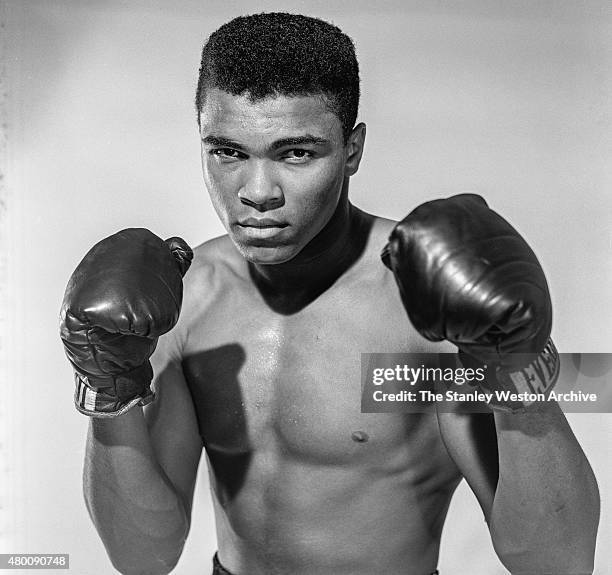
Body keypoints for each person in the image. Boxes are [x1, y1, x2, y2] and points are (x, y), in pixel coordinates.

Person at [60, 13, 600, 575]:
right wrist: (108, 389)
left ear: (353, 149)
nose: (257, 193)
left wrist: (520, 372)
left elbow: (559, 565)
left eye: (296, 153)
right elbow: (142, 558)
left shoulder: (423, 302)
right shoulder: (185, 297)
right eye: (228, 152)